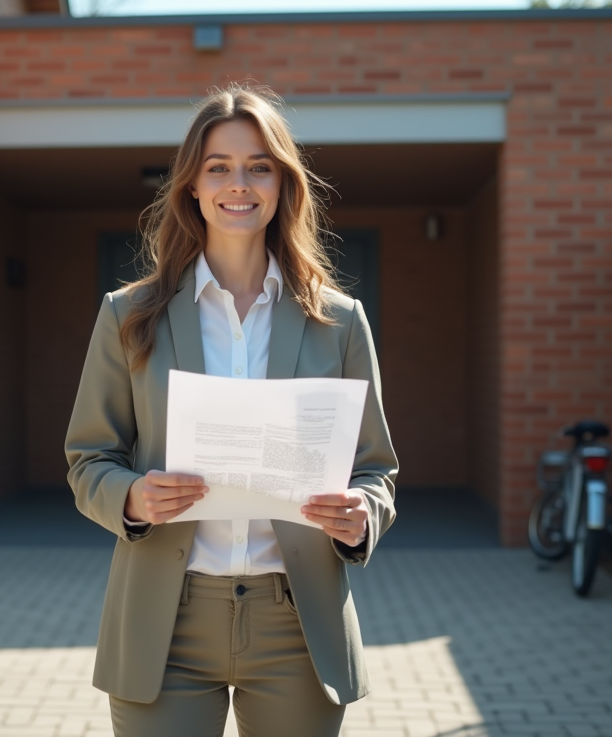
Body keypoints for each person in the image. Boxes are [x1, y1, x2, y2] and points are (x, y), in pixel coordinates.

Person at [65, 83, 397, 737]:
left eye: (258, 166)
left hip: (297, 625)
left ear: (282, 184)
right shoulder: (128, 316)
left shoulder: (339, 321)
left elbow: (376, 469)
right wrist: (131, 498)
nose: (237, 183)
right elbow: (88, 459)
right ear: (192, 185)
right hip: (166, 622)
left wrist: (362, 516)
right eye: (218, 166)